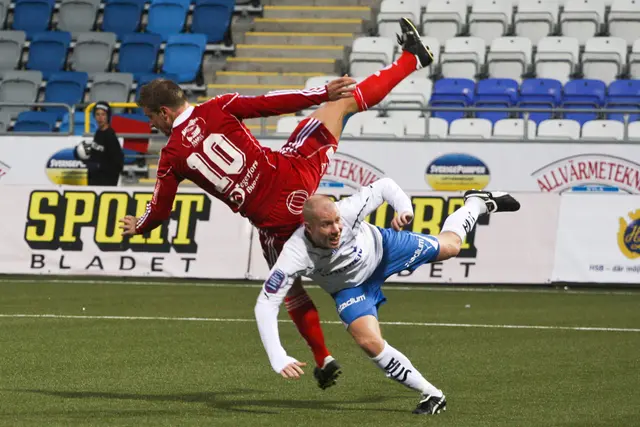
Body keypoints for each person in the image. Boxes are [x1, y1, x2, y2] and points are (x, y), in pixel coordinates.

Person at [119, 17, 435, 389]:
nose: (152, 123)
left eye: (150, 117)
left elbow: (159, 211)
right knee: (344, 104)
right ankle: (411, 60)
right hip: (295, 174)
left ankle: (322, 356)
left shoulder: (172, 156)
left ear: (164, 113)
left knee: (289, 289)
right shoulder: (219, 107)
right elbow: (270, 103)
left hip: (274, 221)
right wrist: (322, 94)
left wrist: (138, 226)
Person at [253, 181, 520, 414]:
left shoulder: (347, 211)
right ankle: (433, 393)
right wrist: (277, 355)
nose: (336, 229)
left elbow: (384, 186)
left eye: (336, 221)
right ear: (308, 227)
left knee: (450, 247)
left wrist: (404, 209)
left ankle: (476, 203)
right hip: (350, 289)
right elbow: (266, 302)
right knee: (369, 342)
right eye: (326, 225)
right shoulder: (294, 253)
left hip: (386, 250)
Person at [75, 101, 124, 186]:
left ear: (108, 116)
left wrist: (99, 166)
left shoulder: (110, 136)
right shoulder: (98, 132)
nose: (100, 118)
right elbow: (96, 155)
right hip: (94, 179)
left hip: (106, 182)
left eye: (103, 114)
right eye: (97, 114)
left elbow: (118, 163)